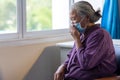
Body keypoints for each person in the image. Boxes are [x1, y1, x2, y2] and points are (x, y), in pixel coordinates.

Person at [54, 1, 117, 80]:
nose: (72, 24)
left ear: (86, 18)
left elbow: (86, 63)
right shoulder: (83, 34)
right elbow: (72, 56)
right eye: (71, 20)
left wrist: (77, 39)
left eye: (74, 19)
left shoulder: (99, 35)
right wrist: (63, 66)